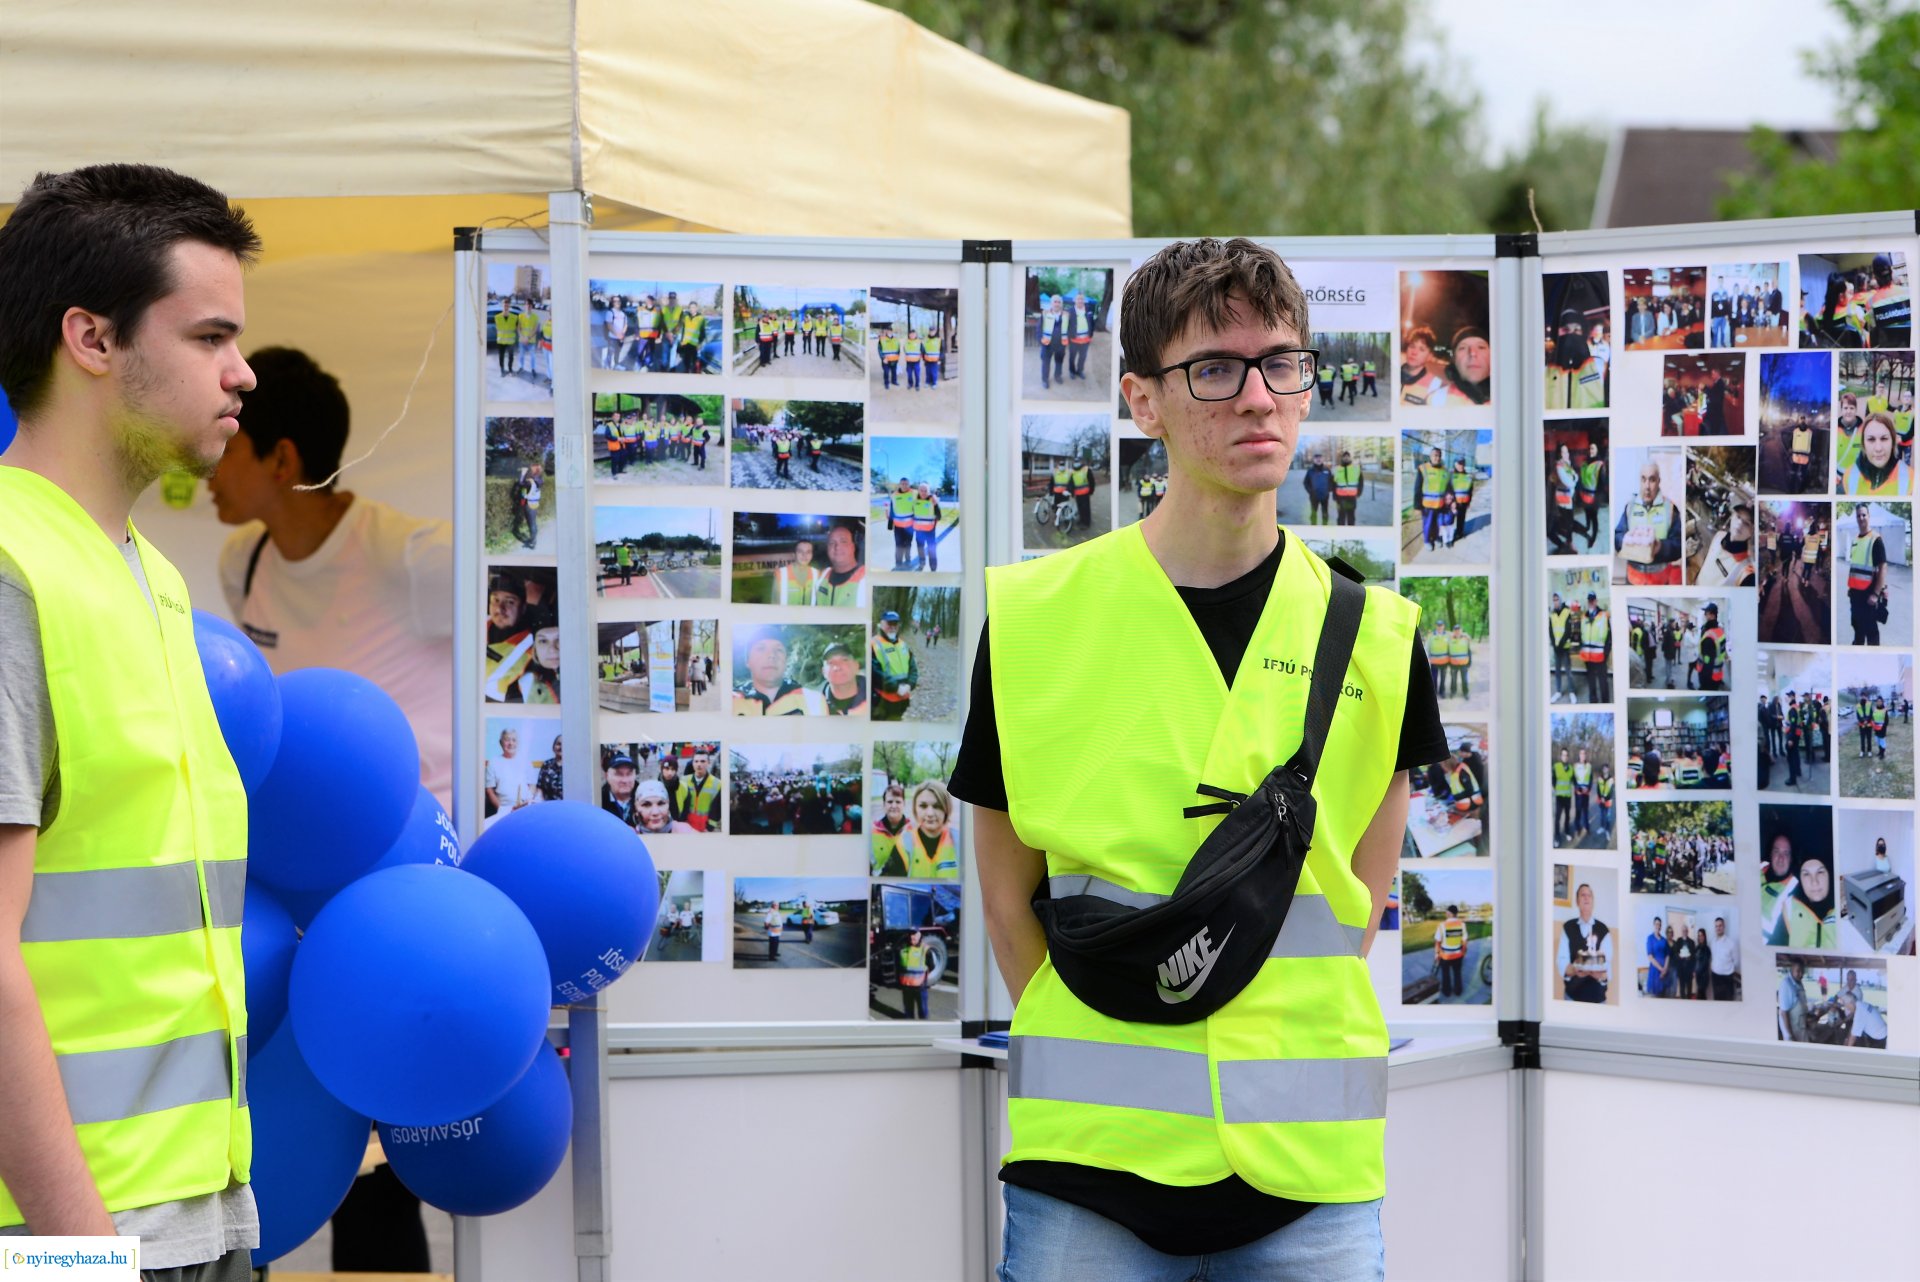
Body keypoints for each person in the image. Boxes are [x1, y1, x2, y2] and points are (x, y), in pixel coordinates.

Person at [954, 238, 1443, 1272]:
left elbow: (1356, 899)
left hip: (1308, 1172)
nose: (1257, 397)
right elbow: (1007, 904)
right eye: (1214, 370)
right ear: (1142, 399)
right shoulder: (1033, 620)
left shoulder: (1380, 636)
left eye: (1283, 363)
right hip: (1088, 1162)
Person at [0, 163, 262, 1277]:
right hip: (73, 1240)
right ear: (91, 340)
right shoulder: (12, 571)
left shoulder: (148, 574)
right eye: (209, 336)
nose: (244, 374)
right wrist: (79, 1255)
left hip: (193, 1213)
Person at [206, 347, 456, 811]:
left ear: (282, 460)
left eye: (229, 442)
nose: (208, 463)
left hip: (413, 835)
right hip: (310, 822)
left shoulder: (414, 557)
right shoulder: (243, 562)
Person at [1614, 460, 1683, 584]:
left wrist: (1661, 547)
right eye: (1643, 479)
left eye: (1652, 480)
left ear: (1658, 481)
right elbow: (1617, 537)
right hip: (1633, 579)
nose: (1647, 486)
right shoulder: (1630, 507)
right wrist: (1626, 539)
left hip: (1660, 580)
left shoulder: (1670, 508)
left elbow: (1679, 545)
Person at [732, 627, 824, 716]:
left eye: (778, 650)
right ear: (748, 661)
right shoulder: (734, 701)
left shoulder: (810, 700)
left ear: (786, 660)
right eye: (761, 649)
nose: (771, 655)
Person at [1769, 850, 1838, 949]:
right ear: (1800, 879)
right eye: (1806, 874)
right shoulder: (1789, 910)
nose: (1814, 882)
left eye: (1820, 872)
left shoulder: (1845, 907)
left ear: (1829, 874)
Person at [1557, 883, 1610, 1003]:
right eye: (1582, 895)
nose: (1586, 897)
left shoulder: (1603, 930)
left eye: (1589, 895)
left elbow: (1607, 966)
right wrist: (1575, 968)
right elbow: (1562, 961)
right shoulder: (1567, 927)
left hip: (1597, 1000)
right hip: (1572, 998)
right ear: (1577, 901)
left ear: (1593, 901)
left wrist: (1600, 975)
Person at [1844, 502, 1888, 646]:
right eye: (1858, 515)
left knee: (1871, 633)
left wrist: (1876, 594)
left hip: (1869, 596)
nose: (1861, 518)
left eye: (1864, 514)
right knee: (1857, 628)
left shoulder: (1875, 539)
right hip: (1855, 596)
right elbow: (1855, 567)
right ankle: (1857, 648)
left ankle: (1873, 657)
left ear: (1869, 516)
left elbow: (1883, 567)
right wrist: (1851, 589)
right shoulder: (1856, 540)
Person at [901, 780, 959, 879]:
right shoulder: (902, 843)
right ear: (915, 809)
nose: (930, 813)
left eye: (937, 806)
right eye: (923, 806)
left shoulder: (961, 841)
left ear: (947, 808)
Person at [1694, 501, 1756, 587]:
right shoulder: (1719, 536)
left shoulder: (1746, 572)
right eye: (1738, 516)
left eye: (1746, 523)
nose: (1739, 524)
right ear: (1732, 516)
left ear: (1752, 532)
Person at [870, 610, 918, 722]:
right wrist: (896, 687)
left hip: (902, 700)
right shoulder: (873, 644)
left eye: (895, 624)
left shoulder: (903, 645)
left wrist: (910, 685)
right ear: (881, 624)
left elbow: (913, 669)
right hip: (882, 701)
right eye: (889, 623)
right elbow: (875, 673)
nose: (892, 627)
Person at [812, 523, 868, 606]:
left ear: (853, 547)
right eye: (831, 543)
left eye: (843, 541)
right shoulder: (822, 577)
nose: (837, 546)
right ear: (827, 548)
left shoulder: (866, 579)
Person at [1400, 325, 1449, 405]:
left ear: (1429, 356)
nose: (1414, 352)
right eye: (1412, 346)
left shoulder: (1434, 386)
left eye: (1421, 349)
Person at [819, 641, 868, 716]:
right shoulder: (815, 707)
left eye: (844, 660)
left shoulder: (876, 698)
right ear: (823, 672)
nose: (837, 667)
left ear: (856, 666)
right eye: (830, 662)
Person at [1444, 326, 1491, 405]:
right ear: (1454, 359)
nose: (1472, 353)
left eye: (1481, 347)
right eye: (1463, 348)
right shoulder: (1435, 400)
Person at [871, 782, 911, 875]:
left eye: (898, 802)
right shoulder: (872, 831)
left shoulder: (913, 830)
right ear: (884, 804)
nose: (894, 806)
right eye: (890, 802)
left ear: (904, 804)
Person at [1418, 445, 1450, 550]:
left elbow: (1448, 487)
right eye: (1435, 455)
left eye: (1439, 456)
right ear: (1430, 457)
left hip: (1440, 504)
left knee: (1437, 524)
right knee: (1427, 524)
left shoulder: (1445, 470)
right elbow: (1417, 488)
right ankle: (1427, 541)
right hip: (1427, 505)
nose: (1437, 458)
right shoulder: (1423, 469)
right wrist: (1416, 506)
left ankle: (1436, 538)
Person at [773, 537, 821, 606]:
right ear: (794, 554)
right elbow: (774, 603)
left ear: (812, 555)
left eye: (808, 552)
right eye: (800, 551)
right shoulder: (781, 574)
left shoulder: (817, 574)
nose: (804, 555)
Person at [1434, 905, 1468, 998]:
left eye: (1446, 912)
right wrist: (1464, 952)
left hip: (1445, 956)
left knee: (1445, 974)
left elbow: (1438, 942)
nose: (1445, 913)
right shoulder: (1462, 924)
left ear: (1449, 913)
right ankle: (1458, 991)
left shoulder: (1442, 925)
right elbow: (1464, 941)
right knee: (1457, 974)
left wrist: (1437, 954)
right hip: (1458, 955)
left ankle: (1447, 991)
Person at [897, 928, 931, 1019]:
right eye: (911, 934)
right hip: (906, 987)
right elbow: (898, 966)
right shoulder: (902, 948)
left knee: (923, 1011)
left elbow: (932, 965)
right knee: (908, 1011)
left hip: (920, 987)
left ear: (920, 935)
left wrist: (924, 978)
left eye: (915, 934)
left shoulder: (925, 949)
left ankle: (923, 1028)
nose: (912, 936)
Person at [602, 753, 641, 826]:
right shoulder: (598, 802)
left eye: (629, 774)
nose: (625, 780)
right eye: (618, 774)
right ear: (607, 776)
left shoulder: (645, 798)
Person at [913, 481, 943, 571]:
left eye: (925, 490)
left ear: (928, 491)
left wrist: (936, 505)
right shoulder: (915, 501)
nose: (923, 492)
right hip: (918, 531)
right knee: (920, 549)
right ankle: (922, 563)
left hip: (930, 531)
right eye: (921, 490)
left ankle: (933, 567)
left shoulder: (932, 500)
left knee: (931, 550)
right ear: (918, 491)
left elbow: (939, 516)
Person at [1777, 958, 1809, 1042]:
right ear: (1792, 970)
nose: (1801, 974)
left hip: (1801, 1027)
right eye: (1798, 971)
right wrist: (1790, 1036)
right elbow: (1784, 1013)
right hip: (1792, 1031)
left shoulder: (1798, 982)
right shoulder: (1786, 984)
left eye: (1802, 971)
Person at [1708, 916, 1738, 1001]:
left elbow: (1736, 961)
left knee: (1728, 1001)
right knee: (1717, 1000)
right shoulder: (1712, 942)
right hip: (1715, 977)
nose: (1718, 928)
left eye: (1720, 925)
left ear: (1724, 927)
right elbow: (1712, 957)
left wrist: (1727, 969)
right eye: (1716, 926)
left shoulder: (1731, 943)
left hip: (1727, 978)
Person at [1301, 451, 1333, 525]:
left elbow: (1331, 481)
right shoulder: (1310, 471)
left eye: (1320, 458)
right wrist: (1310, 491)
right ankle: (1314, 528)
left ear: (1322, 459)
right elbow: (1306, 483)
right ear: (1314, 460)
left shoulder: (1327, 470)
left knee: (1325, 513)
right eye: (1316, 458)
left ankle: (1325, 529)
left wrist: (1328, 489)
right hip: (1314, 497)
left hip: (1325, 497)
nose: (1318, 459)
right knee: (1313, 513)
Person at [1332, 448, 1362, 526]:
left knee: (1351, 516)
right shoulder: (1337, 469)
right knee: (1341, 516)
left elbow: (1361, 481)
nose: (1346, 458)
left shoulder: (1356, 468)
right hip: (1340, 498)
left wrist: (1359, 492)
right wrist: (1334, 495)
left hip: (1352, 497)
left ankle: (1350, 533)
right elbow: (1333, 483)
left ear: (1350, 458)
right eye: (1344, 456)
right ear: (1342, 458)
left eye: (1348, 456)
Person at [1644, 917, 1670, 997]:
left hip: (1665, 972)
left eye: (1659, 924)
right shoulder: (1650, 938)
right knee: (1656, 996)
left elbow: (1667, 955)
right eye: (1656, 924)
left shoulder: (1664, 940)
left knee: (1665, 995)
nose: (1658, 926)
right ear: (1653, 925)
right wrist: (1661, 969)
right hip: (1655, 971)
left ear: (1661, 926)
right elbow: (1650, 957)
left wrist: (1665, 969)